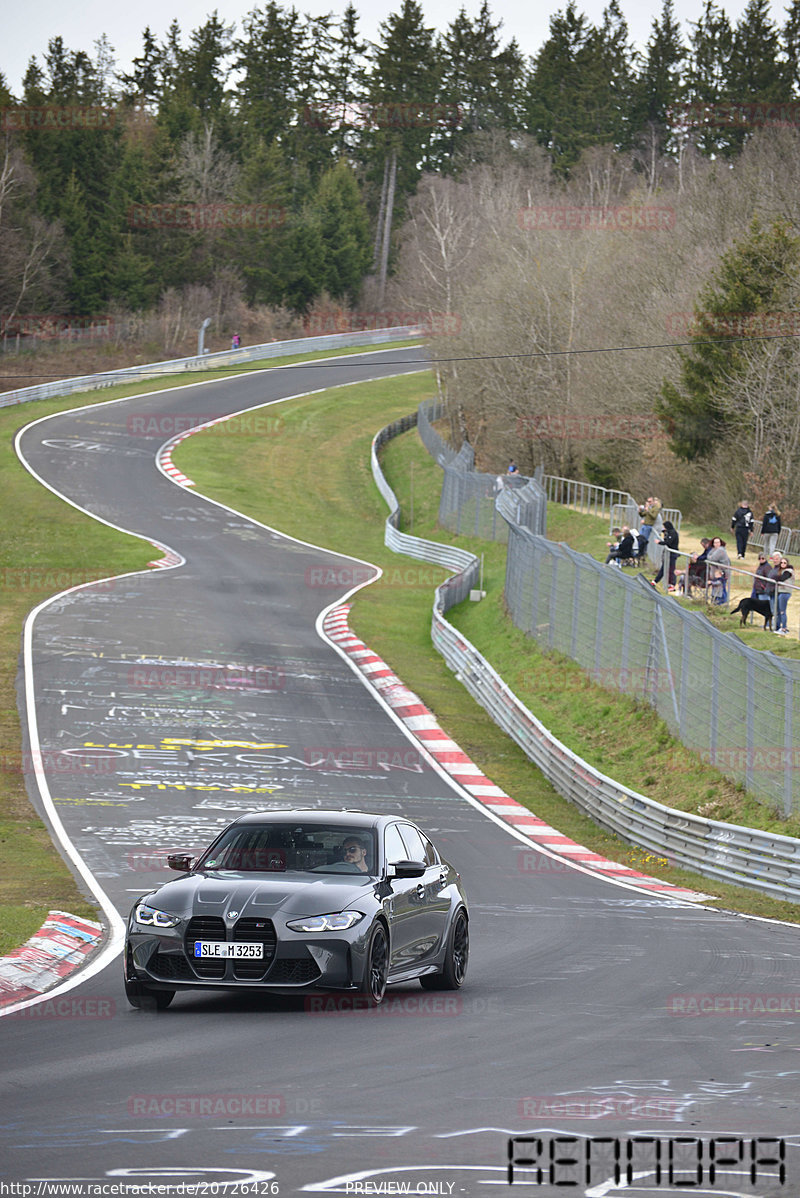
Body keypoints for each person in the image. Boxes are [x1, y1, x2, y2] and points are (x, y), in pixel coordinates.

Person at [652, 520, 679, 588]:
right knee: (664, 568)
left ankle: (672, 584)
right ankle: (655, 581)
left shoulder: (673, 533)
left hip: (672, 553)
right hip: (668, 553)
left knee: (671, 569)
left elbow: (668, 542)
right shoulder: (668, 532)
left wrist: (659, 542)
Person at [705, 536, 731, 604]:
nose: (716, 544)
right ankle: (718, 602)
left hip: (722, 573)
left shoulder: (721, 550)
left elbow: (711, 558)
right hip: (716, 573)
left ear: (720, 543)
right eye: (715, 542)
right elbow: (708, 556)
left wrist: (710, 557)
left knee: (721, 588)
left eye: (718, 542)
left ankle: (722, 602)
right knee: (717, 588)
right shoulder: (714, 550)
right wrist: (710, 557)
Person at [773, 558, 795, 635]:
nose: (782, 564)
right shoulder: (781, 571)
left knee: (782, 611)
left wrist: (774, 578)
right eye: (781, 562)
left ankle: (784, 628)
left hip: (785, 593)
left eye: (784, 563)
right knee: (778, 611)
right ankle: (777, 627)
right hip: (780, 592)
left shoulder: (788, 571)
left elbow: (781, 578)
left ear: (787, 564)